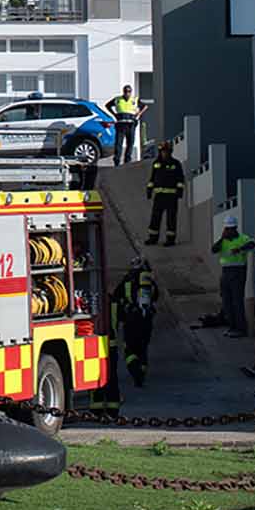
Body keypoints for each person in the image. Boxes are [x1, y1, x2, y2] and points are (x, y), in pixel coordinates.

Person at [110, 256, 159, 387]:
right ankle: (141, 370)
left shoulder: (126, 280)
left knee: (129, 349)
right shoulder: (148, 280)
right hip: (146, 319)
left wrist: (116, 322)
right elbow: (155, 296)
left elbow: (115, 298)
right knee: (143, 347)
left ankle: (136, 372)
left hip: (131, 319)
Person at [211, 217, 255, 337]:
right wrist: (221, 239)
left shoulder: (242, 238)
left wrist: (240, 249)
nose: (229, 231)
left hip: (238, 271)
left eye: (231, 229)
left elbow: (252, 243)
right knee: (227, 302)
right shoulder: (222, 241)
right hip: (225, 272)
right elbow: (213, 250)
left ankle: (241, 329)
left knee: (237, 301)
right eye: (227, 229)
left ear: (235, 228)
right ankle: (232, 327)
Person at [144, 141, 185, 246]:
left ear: (170, 152)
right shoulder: (156, 164)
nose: (164, 154)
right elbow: (152, 178)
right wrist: (149, 190)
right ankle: (153, 238)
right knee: (155, 218)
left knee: (171, 218)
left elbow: (180, 179)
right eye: (163, 151)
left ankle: (170, 240)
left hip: (172, 196)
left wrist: (180, 191)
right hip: (159, 196)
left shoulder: (176, 164)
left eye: (166, 152)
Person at [108, 85, 139, 166]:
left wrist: (138, 114)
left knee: (130, 143)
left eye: (129, 91)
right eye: (125, 91)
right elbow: (108, 105)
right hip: (121, 124)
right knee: (118, 143)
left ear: (131, 92)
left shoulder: (134, 100)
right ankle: (117, 160)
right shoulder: (118, 99)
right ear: (123, 91)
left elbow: (145, 106)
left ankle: (127, 160)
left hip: (131, 124)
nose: (127, 93)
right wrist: (114, 114)